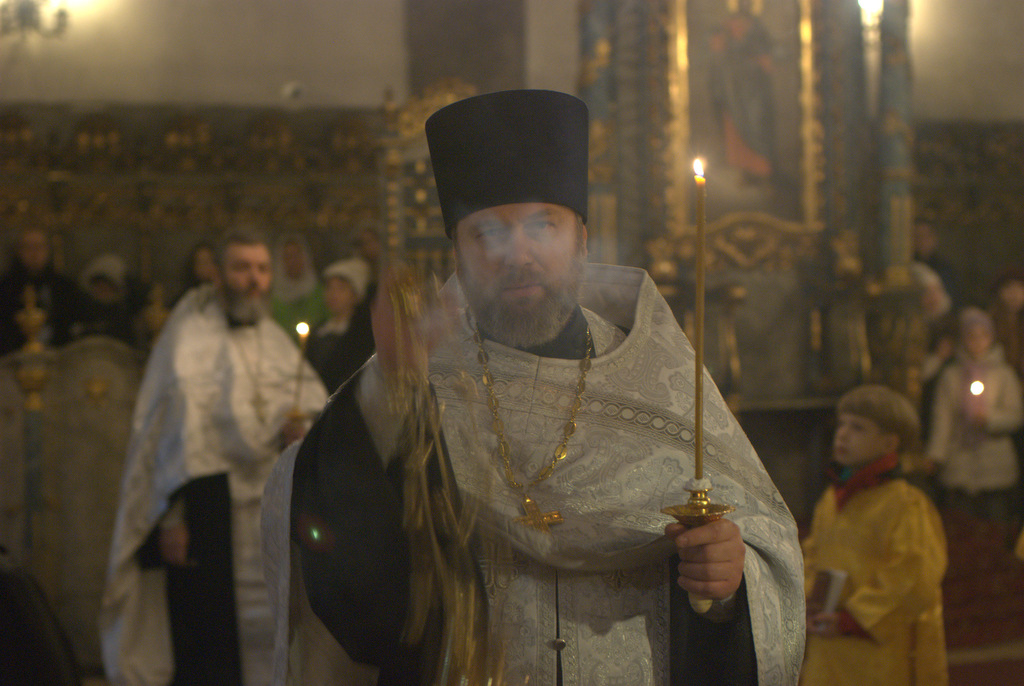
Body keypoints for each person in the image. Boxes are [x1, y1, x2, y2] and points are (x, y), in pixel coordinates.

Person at [261, 90, 804, 685]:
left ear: (582, 240)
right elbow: (334, 542)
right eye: (486, 233)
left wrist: (728, 587)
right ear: (457, 253)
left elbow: (762, 551)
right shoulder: (415, 377)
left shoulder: (662, 379)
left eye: (543, 225)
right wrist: (383, 396)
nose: (517, 254)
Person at [100, 227, 328, 686]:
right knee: (208, 635)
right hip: (208, 509)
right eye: (242, 268)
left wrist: (299, 431)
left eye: (262, 269)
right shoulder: (189, 338)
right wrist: (172, 519)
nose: (254, 280)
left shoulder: (276, 339)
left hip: (270, 509)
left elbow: (311, 410)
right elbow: (168, 441)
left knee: (274, 624)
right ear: (219, 274)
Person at [801, 385, 947, 686]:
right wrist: (807, 599)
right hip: (825, 643)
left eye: (858, 427)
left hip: (875, 652)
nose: (842, 434)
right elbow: (813, 555)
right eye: (842, 424)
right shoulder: (831, 498)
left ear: (888, 443)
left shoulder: (906, 504)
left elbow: (914, 576)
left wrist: (851, 620)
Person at [926, 307, 1023, 523]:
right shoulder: (951, 375)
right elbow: (942, 420)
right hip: (960, 460)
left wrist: (990, 420)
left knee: (996, 523)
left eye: (983, 335)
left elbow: (1016, 415)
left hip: (995, 463)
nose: (977, 342)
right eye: (971, 336)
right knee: (962, 523)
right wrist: (935, 456)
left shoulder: (1004, 374)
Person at [0, 226, 87, 356]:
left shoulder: (64, 287)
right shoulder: (5, 288)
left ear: (48, 250)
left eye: (39, 247)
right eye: (28, 247)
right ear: (19, 251)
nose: (34, 253)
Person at [304, 257, 375, 393]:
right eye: (329, 288)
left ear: (355, 296)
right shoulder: (318, 330)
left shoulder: (361, 334)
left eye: (341, 289)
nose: (333, 294)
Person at [76, 253, 148, 347]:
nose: (102, 290)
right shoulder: (83, 313)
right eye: (98, 285)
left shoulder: (125, 316)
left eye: (106, 286)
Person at [270, 232, 327, 343]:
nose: (293, 261)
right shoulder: (273, 300)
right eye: (288, 256)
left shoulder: (321, 293)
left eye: (296, 255)